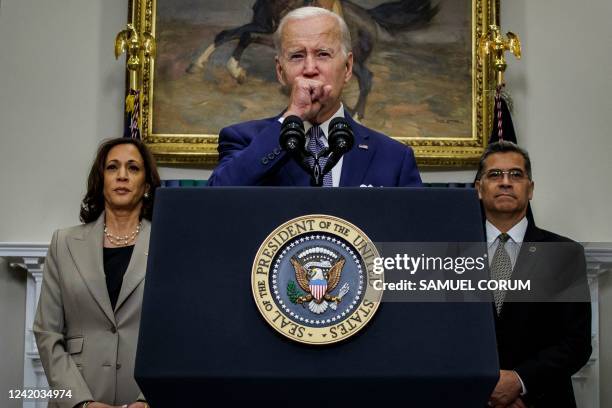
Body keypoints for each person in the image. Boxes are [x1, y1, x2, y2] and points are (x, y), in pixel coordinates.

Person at [207, 6, 421, 187]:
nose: (310, 68)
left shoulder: (394, 158)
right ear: (281, 72)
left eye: (323, 54)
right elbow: (216, 200)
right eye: (297, 56)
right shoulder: (242, 141)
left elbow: (414, 234)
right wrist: (292, 118)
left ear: (347, 68)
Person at [34, 138, 161, 408]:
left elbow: (178, 332)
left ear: (147, 185)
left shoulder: (168, 242)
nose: (122, 176)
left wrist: (148, 400)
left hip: (147, 398)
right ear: (100, 179)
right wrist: (82, 403)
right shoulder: (64, 243)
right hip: (78, 395)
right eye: (112, 167)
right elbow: (47, 333)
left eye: (133, 168)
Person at [475, 141, 591, 408]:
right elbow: (445, 336)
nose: (505, 182)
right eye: (495, 175)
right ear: (478, 189)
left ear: (531, 189)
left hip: (542, 399)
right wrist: (484, 388)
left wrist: (519, 381)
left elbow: (576, 343)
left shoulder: (565, 253)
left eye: (516, 174)